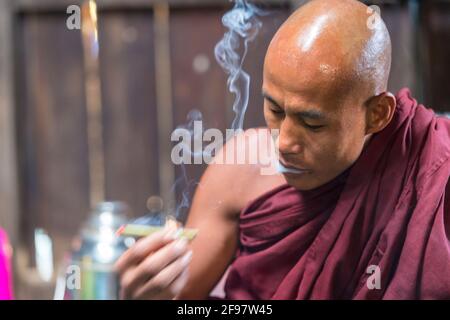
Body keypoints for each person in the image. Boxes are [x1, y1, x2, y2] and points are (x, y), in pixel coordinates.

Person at [115, 0, 450, 299]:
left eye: (312, 123)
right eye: (275, 110)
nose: (284, 144)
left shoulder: (434, 171)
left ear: (376, 115)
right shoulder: (240, 170)